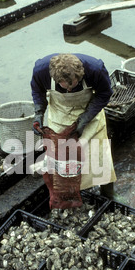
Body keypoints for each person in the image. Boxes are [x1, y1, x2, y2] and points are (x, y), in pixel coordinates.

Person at [30, 53, 116, 195]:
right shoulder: (41, 70)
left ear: (80, 75)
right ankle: (69, 191)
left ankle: (108, 193)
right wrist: (39, 113)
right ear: (55, 79)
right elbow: (37, 91)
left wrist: (84, 119)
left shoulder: (95, 69)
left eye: (73, 85)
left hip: (88, 111)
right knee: (62, 157)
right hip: (60, 113)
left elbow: (105, 93)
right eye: (64, 86)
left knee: (100, 157)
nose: (69, 90)